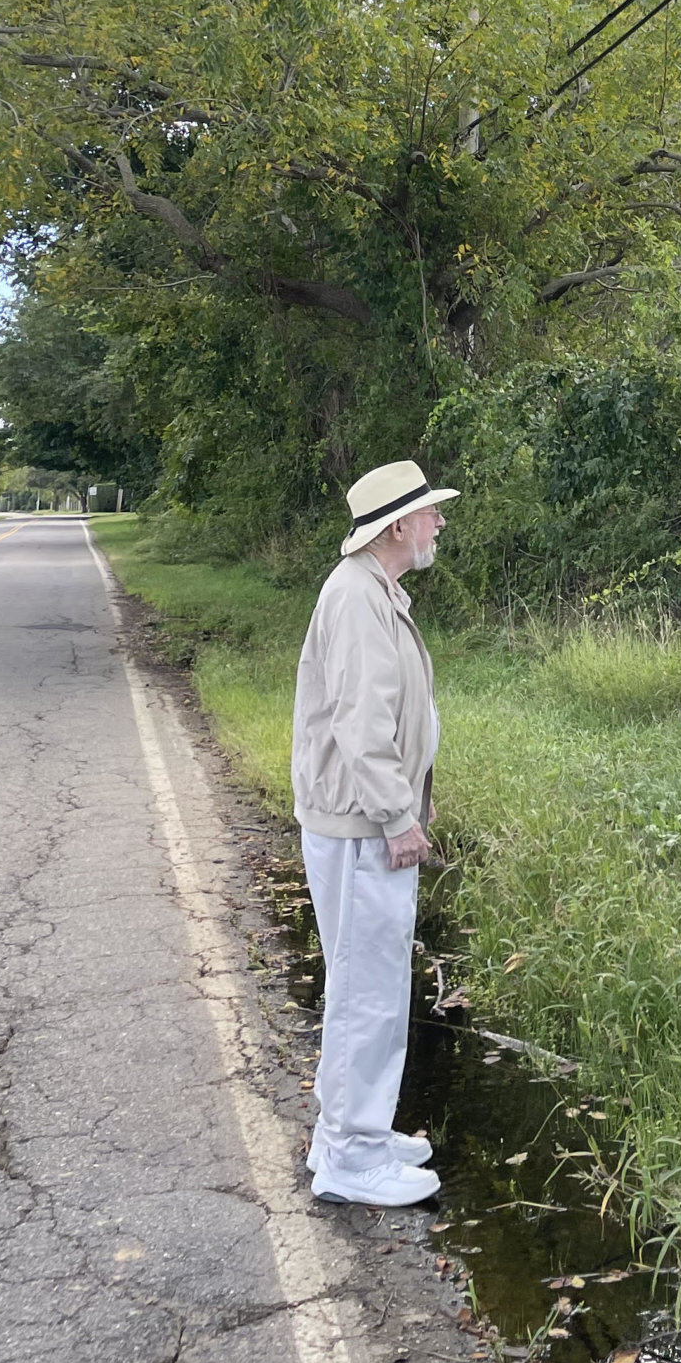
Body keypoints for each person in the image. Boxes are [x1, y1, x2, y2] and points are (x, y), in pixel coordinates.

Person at [291, 457, 458, 1205]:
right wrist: (397, 816)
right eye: (430, 512)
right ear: (398, 525)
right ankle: (353, 1160)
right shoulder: (357, 597)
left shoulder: (374, 590)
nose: (439, 523)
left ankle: (348, 1132)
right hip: (362, 825)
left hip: (365, 820)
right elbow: (362, 724)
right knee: (368, 994)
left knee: (365, 986)